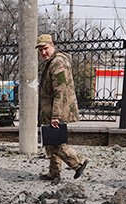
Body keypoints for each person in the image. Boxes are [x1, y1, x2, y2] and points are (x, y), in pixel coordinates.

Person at [36, 34, 88, 184]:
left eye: (45, 48)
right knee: (51, 142)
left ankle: (78, 163)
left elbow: (61, 90)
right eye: (40, 50)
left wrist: (56, 115)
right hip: (50, 110)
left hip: (56, 110)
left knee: (56, 143)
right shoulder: (52, 62)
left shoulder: (58, 62)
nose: (43, 52)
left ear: (52, 45)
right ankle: (54, 172)